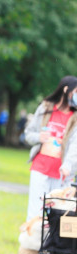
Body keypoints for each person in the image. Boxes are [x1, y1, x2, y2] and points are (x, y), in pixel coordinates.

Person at [24, 76, 77, 221]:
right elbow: (28, 134)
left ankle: (49, 238)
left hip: (61, 173)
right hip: (40, 168)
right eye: (76, 92)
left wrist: (68, 165)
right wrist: (39, 137)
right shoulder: (45, 108)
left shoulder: (75, 117)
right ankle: (30, 236)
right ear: (66, 90)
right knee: (35, 213)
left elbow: (75, 145)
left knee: (57, 216)